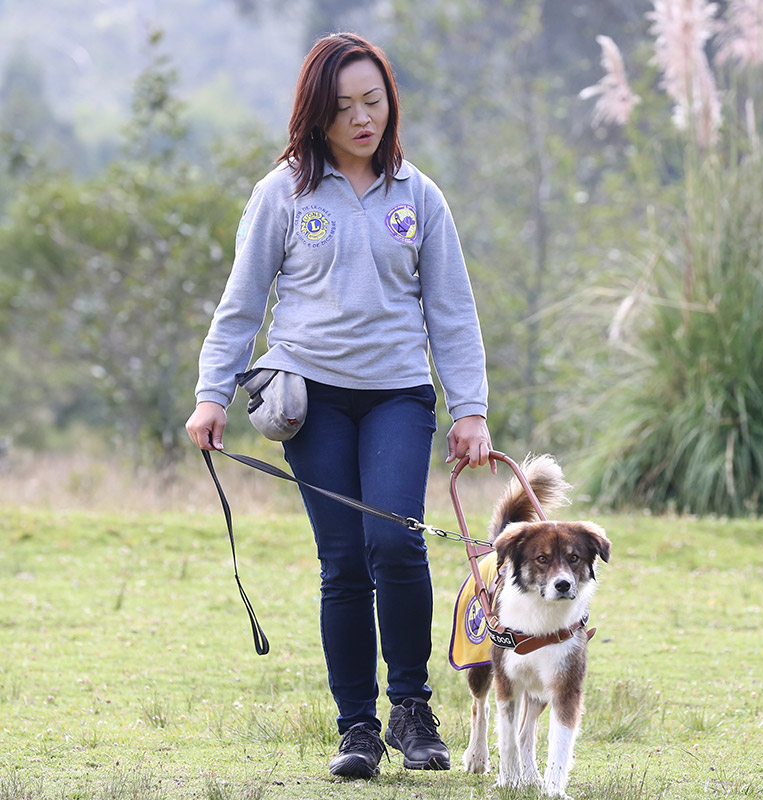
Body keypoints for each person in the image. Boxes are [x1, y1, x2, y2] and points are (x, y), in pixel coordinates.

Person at [185, 32, 492, 780]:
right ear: (316, 114)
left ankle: (412, 711)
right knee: (344, 560)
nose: (363, 119)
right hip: (308, 399)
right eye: (345, 107)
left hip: (396, 394)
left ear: (390, 104)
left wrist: (469, 408)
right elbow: (241, 304)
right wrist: (211, 394)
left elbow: (452, 311)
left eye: (374, 103)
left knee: (396, 542)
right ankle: (356, 727)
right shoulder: (281, 193)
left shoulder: (419, 196)